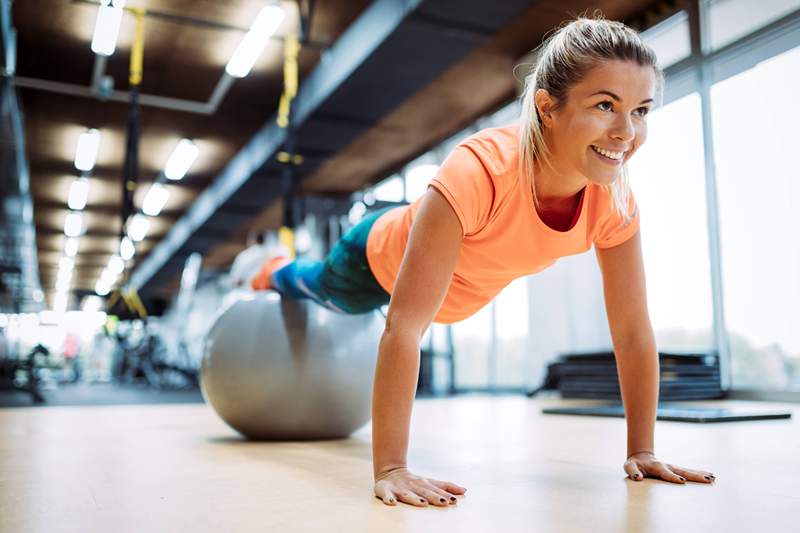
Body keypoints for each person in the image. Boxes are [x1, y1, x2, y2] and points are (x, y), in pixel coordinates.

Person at [251, 16, 716, 508]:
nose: (627, 132)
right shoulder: (481, 171)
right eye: (605, 105)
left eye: (641, 110)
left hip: (450, 287)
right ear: (547, 107)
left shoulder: (614, 203)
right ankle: (271, 269)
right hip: (374, 262)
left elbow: (632, 332)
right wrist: (391, 467)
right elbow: (405, 327)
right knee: (314, 286)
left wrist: (642, 449)